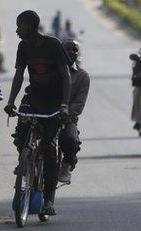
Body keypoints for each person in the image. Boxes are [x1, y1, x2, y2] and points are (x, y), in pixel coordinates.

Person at [4, 10, 71, 216]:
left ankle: (48, 199)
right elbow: (18, 75)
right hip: (33, 98)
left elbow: (66, 76)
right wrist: (11, 101)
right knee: (22, 128)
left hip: (53, 102)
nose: (16, 30)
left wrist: (64, 105)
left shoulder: (53, 45)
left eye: (19, 26)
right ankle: (24, 161)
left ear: (31, 27)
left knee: (50, 151)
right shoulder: (23, 46)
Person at [57, 39, 90, 184]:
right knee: (25, 131)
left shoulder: (83, 76)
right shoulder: (51, 70)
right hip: (45, 115)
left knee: (70, 140)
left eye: (74, 50)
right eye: (67, 49)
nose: (71, 52)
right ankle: (24, 162)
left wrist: (64, 113)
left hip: (67, 119)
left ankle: (66, 166)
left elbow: (79, 104)